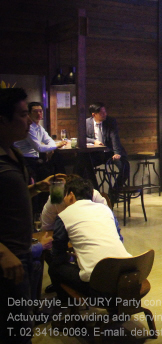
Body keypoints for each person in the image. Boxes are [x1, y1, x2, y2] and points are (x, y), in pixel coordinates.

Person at [0, 87, 65, 344]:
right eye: (22, 114)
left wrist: (37, 188)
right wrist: (3, 253)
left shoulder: (13, 152)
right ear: (2, 120)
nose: (29, 120)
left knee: (23, 323)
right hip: (8, 257)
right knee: (14, 330)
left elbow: (10, 198)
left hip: (22, 250)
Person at [48, 177, 131, 306]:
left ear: (71, 195)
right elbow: (119, 239)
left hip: (99, 291)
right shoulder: (106, 209)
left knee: (54, 268)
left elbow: (58, 254)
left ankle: (67, 307)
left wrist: (72, 257)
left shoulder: (63, 215)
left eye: (65, 195)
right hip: (128, 280)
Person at [14, 101, 67, 178]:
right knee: (56, 161)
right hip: (26, 159)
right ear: (29, 114)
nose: (39, 114)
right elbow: (38, 148)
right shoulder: (29, 128)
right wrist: (56, 146)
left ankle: (61, 180)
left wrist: (52, 148)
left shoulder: (39, 127)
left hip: (35, 158)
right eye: (35, 111)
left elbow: (49, 140)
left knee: (57, 157)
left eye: (40, 111)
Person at [83, 102, 128, 192]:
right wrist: (94, 141)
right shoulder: (87, 122)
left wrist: (117, 153)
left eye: (105, 112)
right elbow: (82, 137)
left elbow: (115, 138)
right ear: (94, 114)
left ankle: (114, 191)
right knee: (84, 165)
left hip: (110, 152)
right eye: (102, 113)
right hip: (96, 154)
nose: (105, 114)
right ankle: (95, 191)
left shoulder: (110, 121)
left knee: (125, 167)